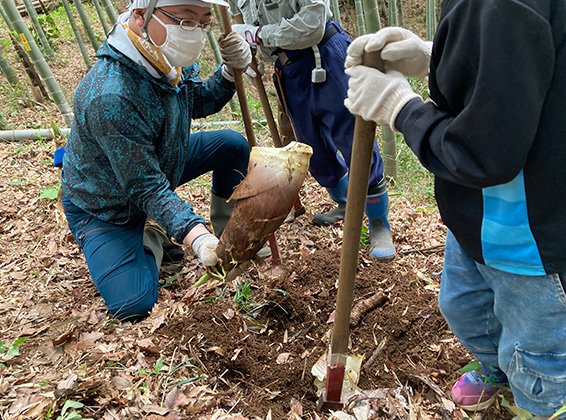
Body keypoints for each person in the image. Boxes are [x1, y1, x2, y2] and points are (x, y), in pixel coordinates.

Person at [344, 1, 566, 417]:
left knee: (541, 362)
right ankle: (497, 368)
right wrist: (437, 55)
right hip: (475, 216)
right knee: (464, 304)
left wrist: (402, 110)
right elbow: (526, 64)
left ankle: (540, 401)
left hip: (533, 237)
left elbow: (485, 151)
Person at [61, 0, 253, 321]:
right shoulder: (110, 93)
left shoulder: (165, 53)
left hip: (161, 159)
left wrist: (227, 75)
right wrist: (196, 235)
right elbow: (145, 187)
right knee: (133, 304)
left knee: (232, 145)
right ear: (141, 16)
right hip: (108, 204)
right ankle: (150, 238)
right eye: (186, 20)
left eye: (203, 22)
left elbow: (198, 101)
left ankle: (230, 233)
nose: (194, 33)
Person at [227, 0, 395, 261]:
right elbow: (243, 27)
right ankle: (346, 201)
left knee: (354, 141)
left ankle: (379, 222)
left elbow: (313, 23)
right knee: (312, 150)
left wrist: (259, 35)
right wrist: (247, 58)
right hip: (289, 69)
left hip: (326, 55)